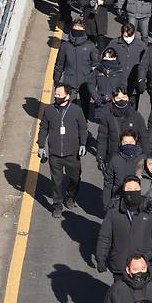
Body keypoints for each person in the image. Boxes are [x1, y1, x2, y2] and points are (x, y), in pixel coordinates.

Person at [93, 176, 152, 277]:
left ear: (140, 190)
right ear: (123, 191)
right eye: (129, 189)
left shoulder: (150, 212)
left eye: (135, 189)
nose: (132, 192)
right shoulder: (114, 212)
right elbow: (105, 237)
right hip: (120, 266)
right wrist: (100, 258)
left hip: (144, 265)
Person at [37, 83, 87, 218]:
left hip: (72, 153)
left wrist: (83, 144)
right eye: (55, 94)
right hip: (55, 154)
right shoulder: (49, 110)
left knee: (75, 178)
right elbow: (43, 129)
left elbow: (83, 128)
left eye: (59, 94)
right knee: (56, 181)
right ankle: (57, 204)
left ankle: (70, 197)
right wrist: (41, 146)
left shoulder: (76, 110)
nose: (56, 96)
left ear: (67, 96)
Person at [53, 18, 99, 122]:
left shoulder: (90, 46)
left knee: (84, 108)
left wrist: (95, 81)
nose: (77, 30)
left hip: (86, 82)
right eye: (75, 28)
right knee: (69, 109)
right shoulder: (65, 46)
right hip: (69, 83)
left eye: (80, 28)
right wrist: (56, 81)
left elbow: (96, 64)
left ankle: (83, 126)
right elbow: (59, 65)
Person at [95, 87, 148, 169]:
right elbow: (102, 139)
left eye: (124, 97)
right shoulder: (107, 117)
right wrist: (100, 158)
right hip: (114, 156)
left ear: (127, 98)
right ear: (113, 100)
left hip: (133, 157)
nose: (121, 100)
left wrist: (146, 156)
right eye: (118, 98)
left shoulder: (136, 116)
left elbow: (143, 137)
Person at [108, 23, 147, 108]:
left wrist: (142, 80)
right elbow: (106, 60)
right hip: (118, 84)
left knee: (133, 110)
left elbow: (145, 64)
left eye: (130, 36)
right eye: (125, 36)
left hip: (134, 85)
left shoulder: (141, 46)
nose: (128, 38)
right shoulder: (114, 44)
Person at [102, 130, 144, 205]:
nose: (128, 145)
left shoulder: (143, 159)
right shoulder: (115, 159)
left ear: (136, 141)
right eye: (125, 143)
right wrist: (107, 203)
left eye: (131, 142)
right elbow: (108, 183)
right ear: (121, 143)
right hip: (118, 199)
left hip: (137, 201)